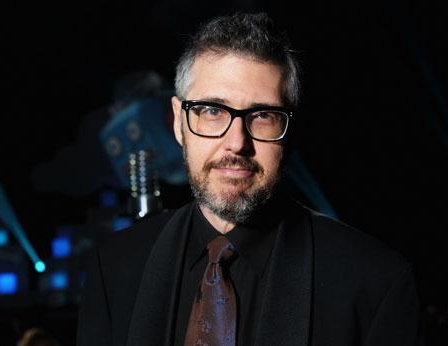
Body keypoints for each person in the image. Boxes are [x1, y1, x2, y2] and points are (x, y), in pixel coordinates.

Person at [77, 12, 423, 346]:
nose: (237, 143)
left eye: (263, 116)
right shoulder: (113, 268)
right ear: (178, 124)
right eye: (212, 111)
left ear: (290, 131)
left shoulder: (376, 284)